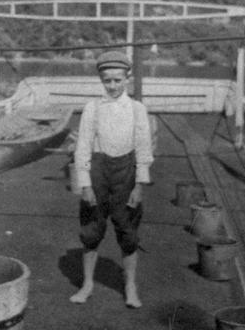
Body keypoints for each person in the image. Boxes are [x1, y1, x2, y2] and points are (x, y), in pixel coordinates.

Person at [69, 50, 154, 308]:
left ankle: (130, 286)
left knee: (128, 231)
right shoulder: (92, 108)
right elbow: (82, 146)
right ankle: (87, 284)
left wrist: (139, 185)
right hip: (98, 170)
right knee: (92, 229)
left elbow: (143, 148)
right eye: (107, 80)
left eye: (118, 80)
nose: (113, 85)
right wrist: (85, 184)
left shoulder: (137, 109)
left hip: (126, 171)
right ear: (101, 80)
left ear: (127, 78)